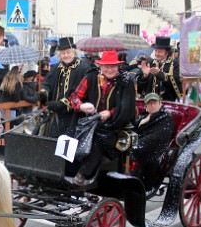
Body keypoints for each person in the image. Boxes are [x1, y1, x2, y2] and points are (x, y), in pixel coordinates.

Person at [68, 51, 136, 186]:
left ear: (118, 67)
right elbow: (74, 96)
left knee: (98, 140)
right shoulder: (91, 77)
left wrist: (110, 113)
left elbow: (127, 107)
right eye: (106, 66)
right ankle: (67, 171)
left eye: (113, 66)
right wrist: (81, 106)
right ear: (100, 66)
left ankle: (83, 174)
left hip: (115, 125)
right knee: (70, 135)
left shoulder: (126, 81)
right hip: (91, 122)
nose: (109, 69)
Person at [41, 36, 90, 137]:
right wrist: (43, 92)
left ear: (74, 52)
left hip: (74, 116)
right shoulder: (57, 67)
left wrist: (61, 104)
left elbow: (79, 92)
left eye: (68, 52)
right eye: (63, 53)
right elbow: (47, 82)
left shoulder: (82, 68)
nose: (66, 55)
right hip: (57, 115)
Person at [131, 93, 174, 188]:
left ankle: (140, 184)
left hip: (154, 150)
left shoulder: (165, 117)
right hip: (140, 143)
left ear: (159, 103)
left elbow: (158, 136)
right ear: (146, 105)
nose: (152, 106)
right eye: (149, 104)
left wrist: (136, 144)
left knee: (133, 151)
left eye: (154, 103)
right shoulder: (144, 116)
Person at [140, 36, 182, 102]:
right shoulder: (150, 63)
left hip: (166, 103)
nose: (157, 54)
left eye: (160, 52)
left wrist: (160, 74)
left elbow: (176, 83)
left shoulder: (174, 64)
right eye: (156, 51)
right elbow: (140, 87)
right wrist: (145, 76)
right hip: (149, 103)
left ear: (167, 53)